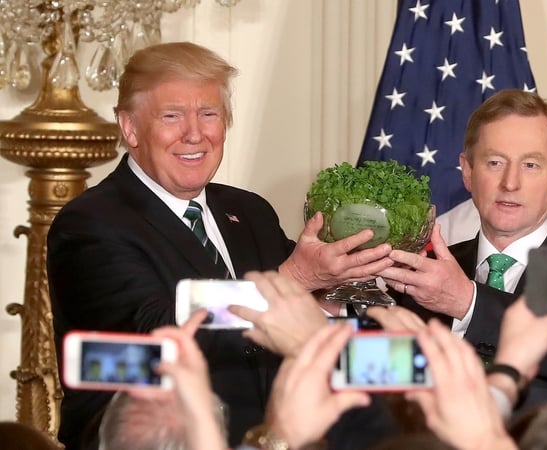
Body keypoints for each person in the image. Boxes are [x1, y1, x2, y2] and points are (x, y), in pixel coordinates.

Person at [47, 41, 393, 450]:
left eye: (208, 114)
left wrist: (337, 291)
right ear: (130, 128)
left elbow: (298, 322)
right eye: (172, 116)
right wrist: (293, 280)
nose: (195, 133)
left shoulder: (249, 211)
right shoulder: (91, 223)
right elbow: (156, 334)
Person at [377, 89, 547, 406]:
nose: (510, 183)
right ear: (468, 172)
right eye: (495, 162)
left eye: (531, 165)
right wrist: (332, 293)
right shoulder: (423, 273)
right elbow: (374, 374)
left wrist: (468, 301)